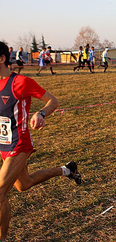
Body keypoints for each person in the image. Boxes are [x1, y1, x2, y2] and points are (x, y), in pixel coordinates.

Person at [0, 41, 81, 241]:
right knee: (23, 185)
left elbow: (53, 100)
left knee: (0, 192)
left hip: (19, 144)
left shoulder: (20, 82)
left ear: (1, 59)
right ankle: (66, 169)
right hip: (3, 144)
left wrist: (41, 113)